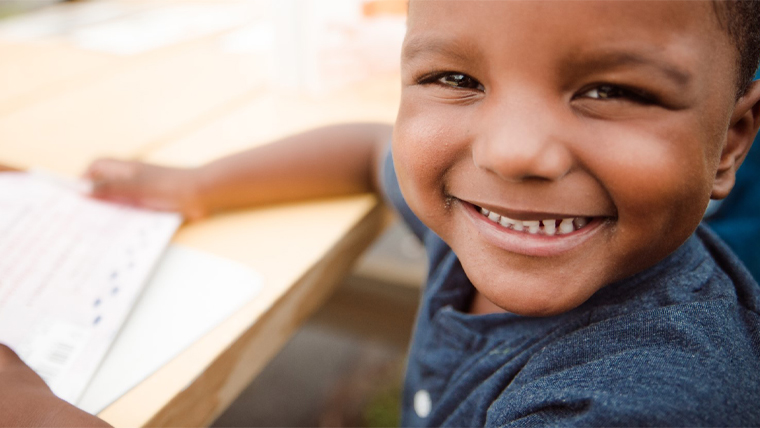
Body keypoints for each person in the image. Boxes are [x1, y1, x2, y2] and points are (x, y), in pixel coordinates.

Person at [3, 1, 760, 426]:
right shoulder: (489, 219)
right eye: (457, 76)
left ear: (729, 142)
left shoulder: (642, 401)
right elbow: (370, 152)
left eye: (612, 92)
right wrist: (199, 184)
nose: (513, 154)